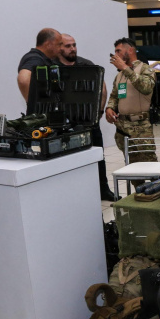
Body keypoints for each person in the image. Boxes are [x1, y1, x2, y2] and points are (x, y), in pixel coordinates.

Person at [58, 34, 118, 201]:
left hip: (89, 122)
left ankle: (103, 190)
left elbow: (102, 89)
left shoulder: (86, 64)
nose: (73, 49)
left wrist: (97, 114)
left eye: (74, 45)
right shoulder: (53, 66)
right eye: (68, 46)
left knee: (98, 157)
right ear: (59, 48)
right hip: (65, 124)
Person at [104, 38, 156, 163]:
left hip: (141, 128)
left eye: (118, 51)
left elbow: (146, 87)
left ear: (131, 50)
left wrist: (125, 68)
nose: (115, 55)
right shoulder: (120, 75)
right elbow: (114, 96)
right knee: (132, 168)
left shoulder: (145, 69)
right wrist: (109, 108)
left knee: (149, 166)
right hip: (122, 128)